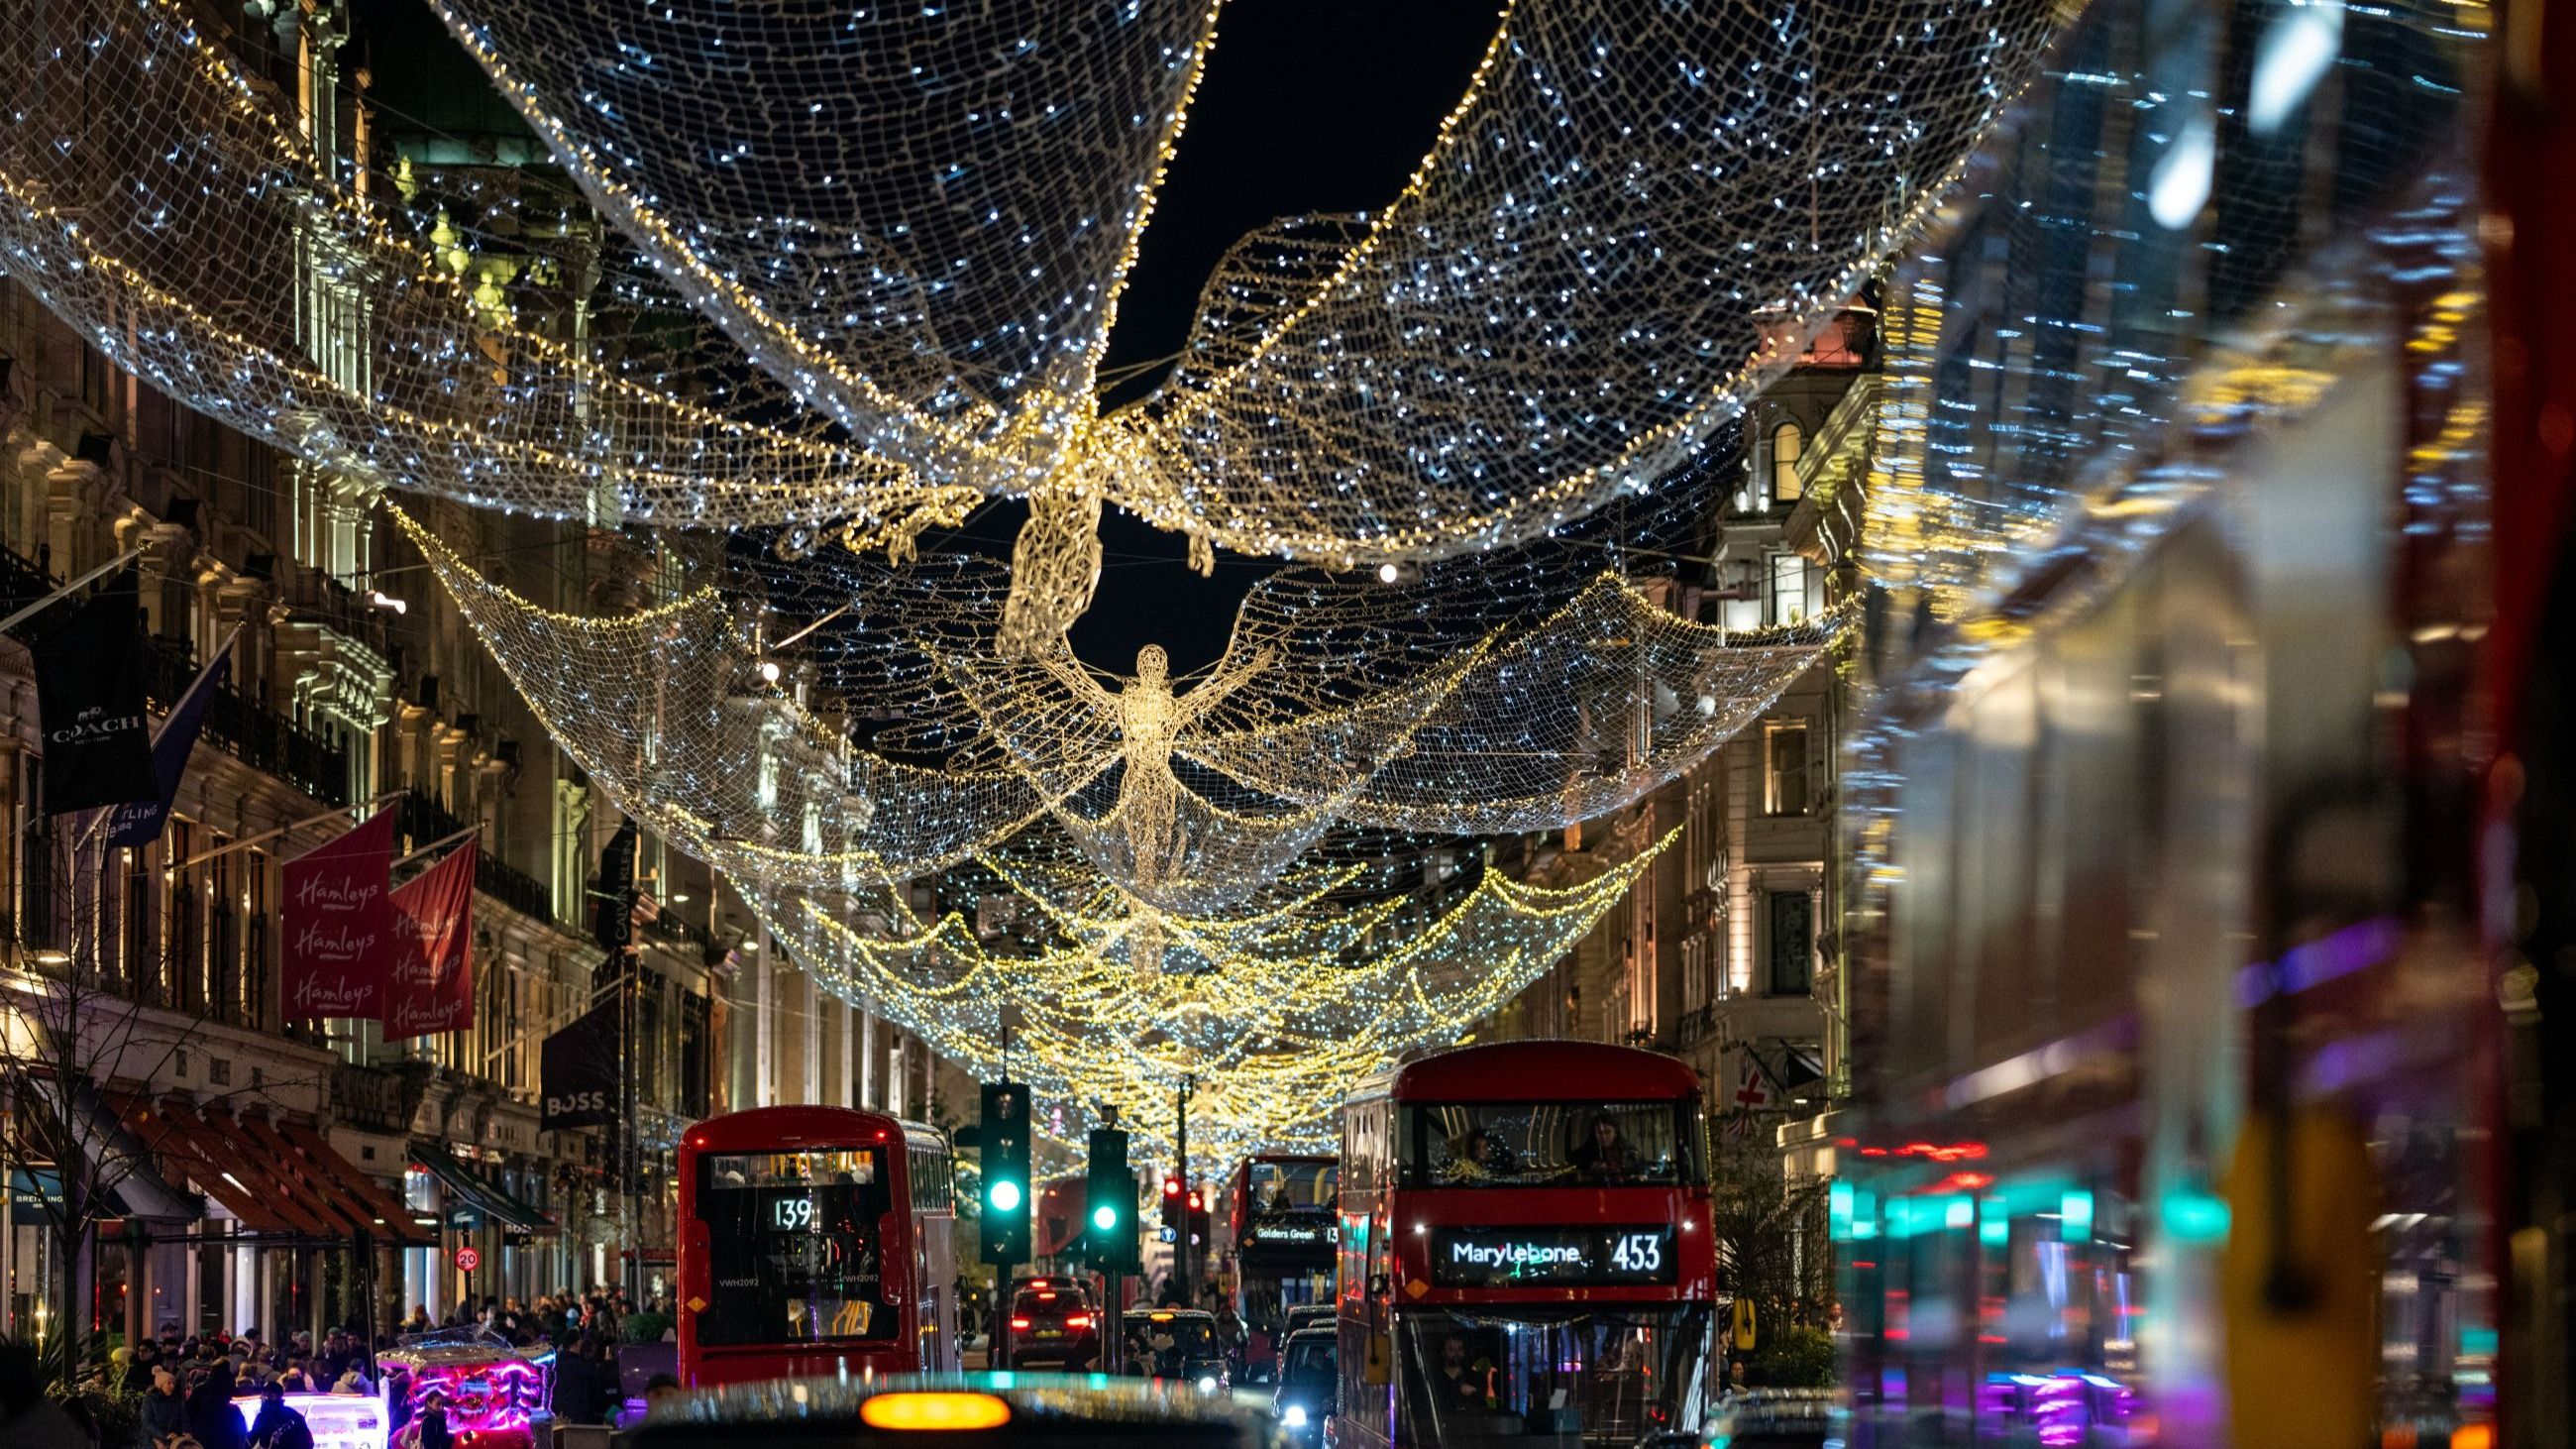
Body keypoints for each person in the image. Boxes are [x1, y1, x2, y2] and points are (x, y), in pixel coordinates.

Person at [185, 1359, 249, 1449]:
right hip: (226, 1426)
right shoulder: (228, 1381)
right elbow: (238, 1395)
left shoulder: (202, 1387)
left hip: (203, 1428)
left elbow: (189, 1409)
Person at [246, 1382, 314, 1449]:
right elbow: (309, 1443)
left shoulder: (263, 1417)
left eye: (264, 1395)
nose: (261, 1399)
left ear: (272, 1396)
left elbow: (250, 1441)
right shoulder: (294, 1414)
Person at [1569, 1113, 1634, 1181]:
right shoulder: (1582, 1154)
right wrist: (1590, 1173)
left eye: (1608, 1132)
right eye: (1599, 1133)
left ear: (1615, 1133)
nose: (1603, 1137)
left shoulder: (1628, 1152)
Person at [142, 1362, 192, 1449]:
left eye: (173, 1383)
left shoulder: (177, 1401)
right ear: (161, 1385)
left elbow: (184, 1418)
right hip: (154, 1441)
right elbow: (147, 1423)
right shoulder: (150, 1400)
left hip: (173, 1441)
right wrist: (164, 1435)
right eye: (169, 1383)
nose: (172, 1386)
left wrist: (187, 1431)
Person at [1436, 1333, 1488, 1410]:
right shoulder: (1436, 1378)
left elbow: (1487, 1401)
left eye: (1460, 1349)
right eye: (1451, 1350)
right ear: (1443, 1352)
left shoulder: (1475, 1376)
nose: (1456, 1353)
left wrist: (1475, 1391)